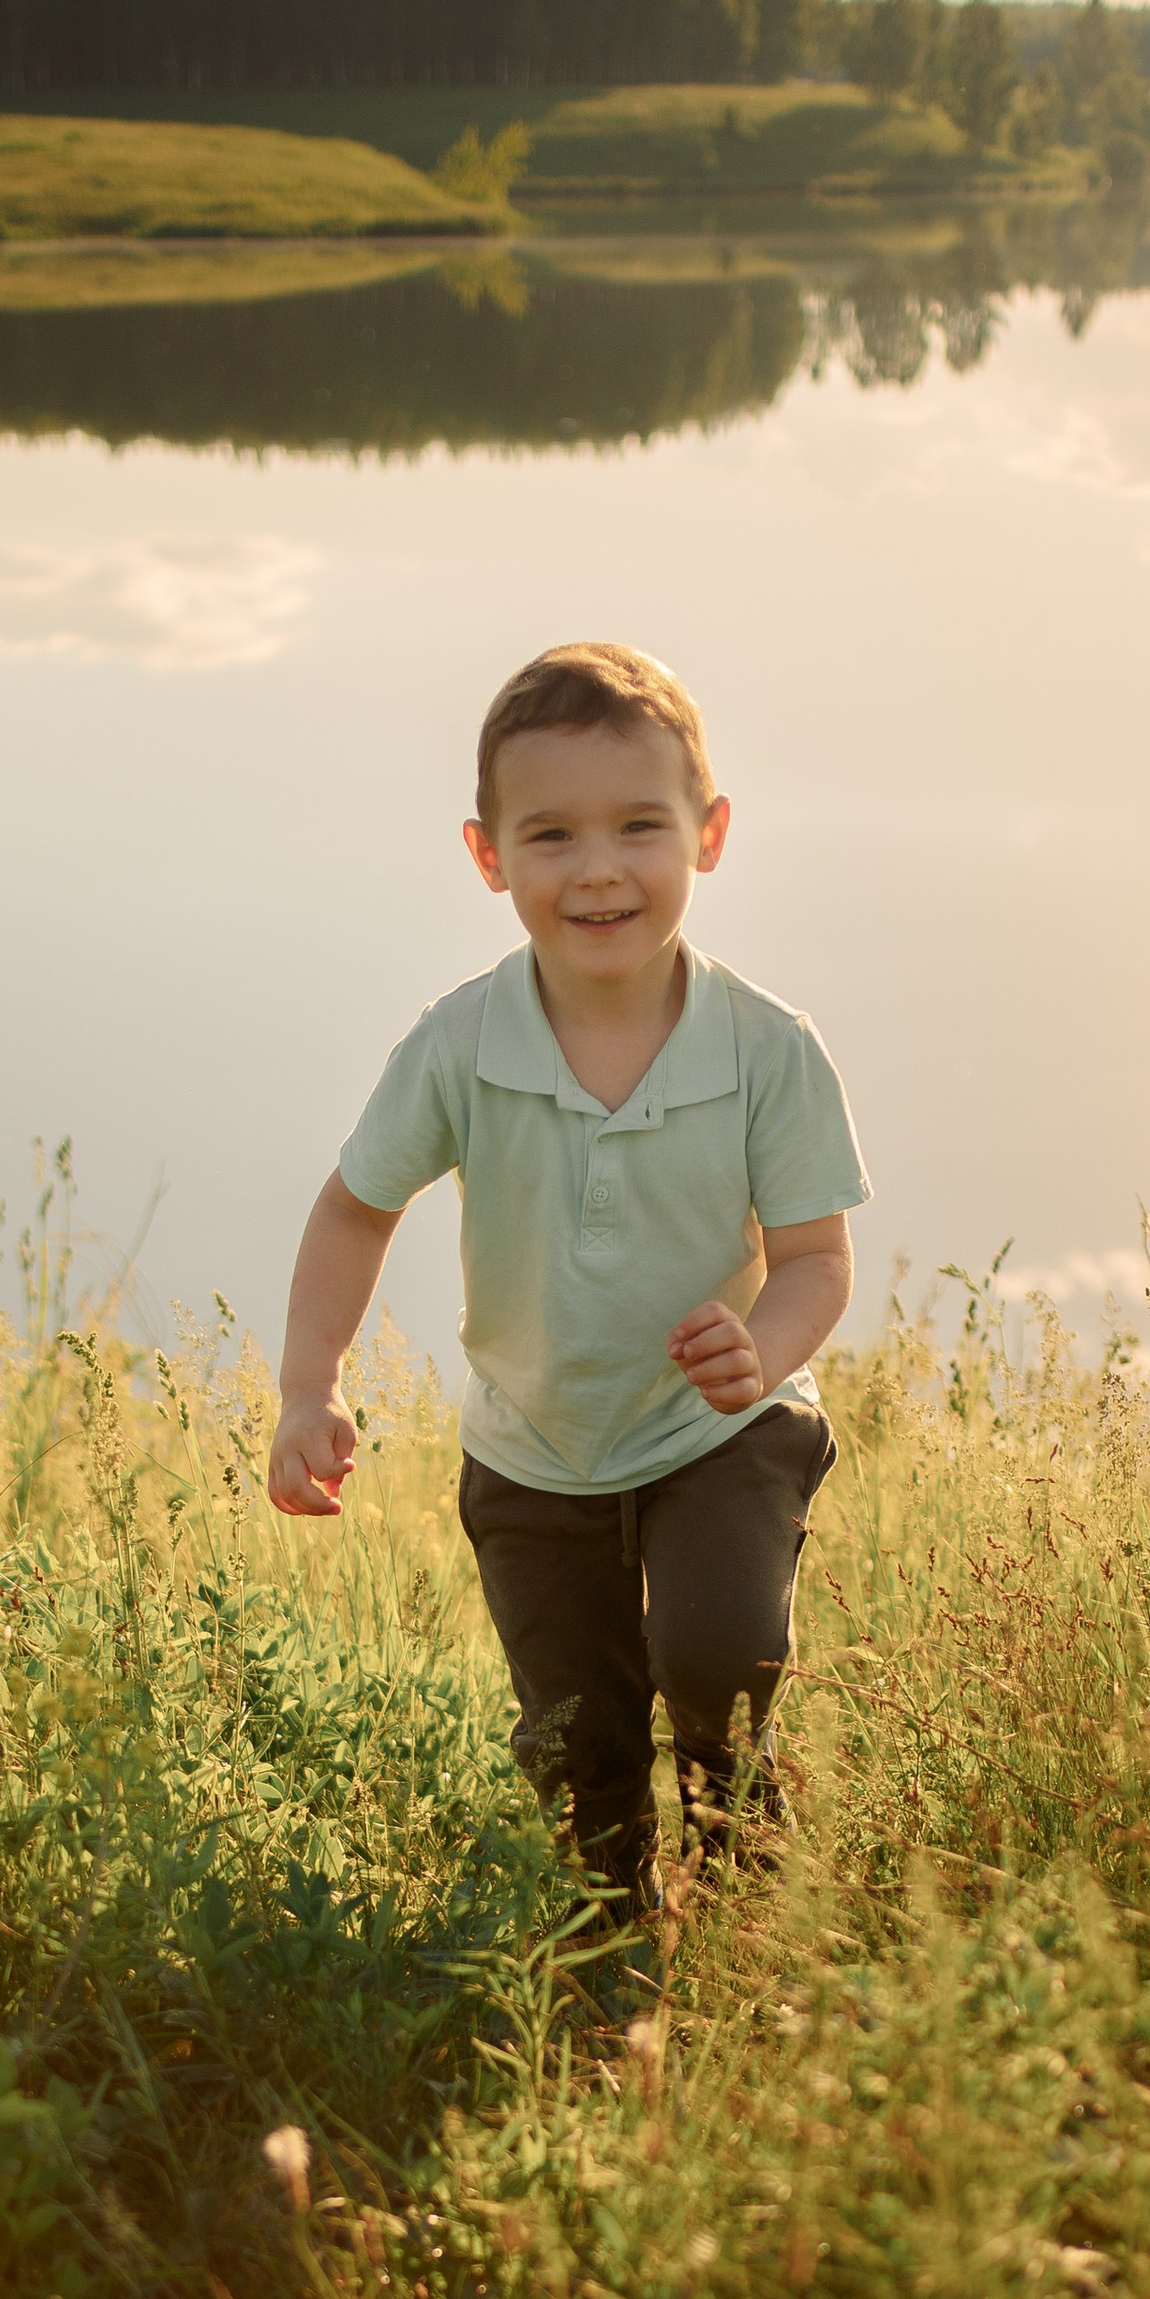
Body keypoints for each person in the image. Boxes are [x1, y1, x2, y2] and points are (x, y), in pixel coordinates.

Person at [267, 638, 871, 1911]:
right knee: (575, 1747)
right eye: (550, 837)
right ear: (488, 856)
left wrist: (761, 1344)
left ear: (707, 835)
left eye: (638, 827)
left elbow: (817, 1259)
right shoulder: (458, 1046)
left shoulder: (767, 1051)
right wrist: (306, 1385)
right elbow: (352, 1208)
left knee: (714, 1659)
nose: (598, 869)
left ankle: (747, 1892)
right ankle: (612, 1956)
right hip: (534, 1449)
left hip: (722, 1427)